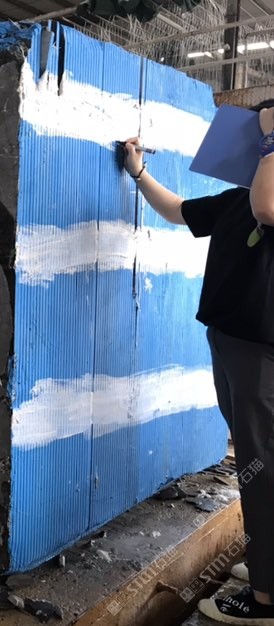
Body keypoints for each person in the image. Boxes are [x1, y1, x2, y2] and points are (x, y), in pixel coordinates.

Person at [123, 101, 274, 624]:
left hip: (261, 353)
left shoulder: (266, 201)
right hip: (229, 342)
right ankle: (267, 565)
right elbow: (177, 210)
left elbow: (267, 209)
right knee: (257, 459)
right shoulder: (237, 201)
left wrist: (271, 139)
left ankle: (267, 599)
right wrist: (139, 172)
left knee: (262, 467)